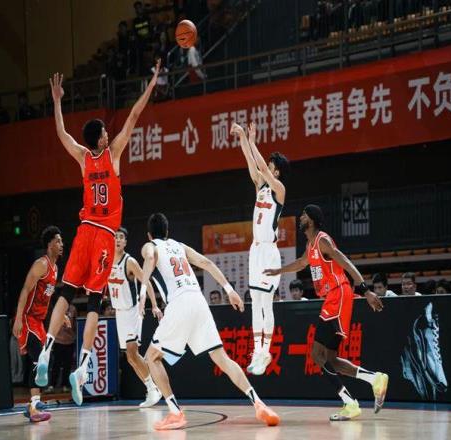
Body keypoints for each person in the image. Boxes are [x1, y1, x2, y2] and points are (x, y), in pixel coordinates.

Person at [35, 61, 161, 406]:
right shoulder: (112, 154)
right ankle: (82, 367)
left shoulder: (82, 158)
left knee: (66, 292)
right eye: (105, 132)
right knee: (93, 301)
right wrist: (151, 84)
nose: (108, 134)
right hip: (105, 234)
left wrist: (57, 101)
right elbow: (134, 116)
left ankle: (45, 350)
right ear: (102, 138)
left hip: (83, 232)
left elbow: (62, 134)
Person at [141, 213, 280, 430]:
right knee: (222, 358)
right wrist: (229, 290)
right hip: (199, 301)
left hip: (179, 303)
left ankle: (175, 413)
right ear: (167, 231)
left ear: (150, 235)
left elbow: (150, 258)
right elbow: (206, 262)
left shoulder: (150, 246)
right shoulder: (179, 246)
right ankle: (258, 402)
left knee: (151, 357)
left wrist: (142, 291)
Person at [264, 205, 388, 421]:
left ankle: (350, 403)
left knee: (316, 354)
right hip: (333, 298)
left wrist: (365, 290)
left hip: (338, 295)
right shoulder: (310, 244)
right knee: (331, 359)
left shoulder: (322, 240)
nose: (300, 217)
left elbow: (345, 262)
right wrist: (278, 271)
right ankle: (374, 379)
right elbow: (301, 263)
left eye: (304, 215)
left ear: (311, 220)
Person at [230, 122, 289, 376]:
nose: (266, 168)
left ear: (276, 172)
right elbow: (250, 161)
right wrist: (243, 138)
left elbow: (261, 167)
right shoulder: (260, 187)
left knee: (266, 302)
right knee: (254, 301)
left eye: (271, 166)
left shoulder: (279, 190)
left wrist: (252, 141)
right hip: (255, 250)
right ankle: (257, 351)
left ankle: (266, 350)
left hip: (269, 252)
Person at [13, 226, 63, 422]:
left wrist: (60, 315)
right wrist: (18, 318)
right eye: (58, 241)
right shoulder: (41, 264)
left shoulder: (55, 269)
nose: (61, 244)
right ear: (49, 244)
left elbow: (47, 298)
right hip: (28, 318)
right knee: (38, 358)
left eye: (61, 241)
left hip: (39, 321)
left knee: (44, 359)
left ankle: (33, 405)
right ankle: (34, 405)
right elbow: (25, 290)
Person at [107, 226, 161, 407]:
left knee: (132, 352)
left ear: (125, 242)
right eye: (115, 237)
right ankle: (152, 388)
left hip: (132, 311)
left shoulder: (129, 262)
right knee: (131, 358)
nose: (118, 240)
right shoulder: (107, 262)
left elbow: (148, 283)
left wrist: (154, 305)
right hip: (119, 313)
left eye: (121, 237)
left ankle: (153, 389)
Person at [50, 302, 77, 393]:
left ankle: (65, 385)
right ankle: (52, 385)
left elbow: (75, 324)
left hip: (70, 340)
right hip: (58, 340)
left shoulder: (73, 309)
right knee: (56, 364)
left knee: (67, 365)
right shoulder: (57, 307)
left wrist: (73, 335)